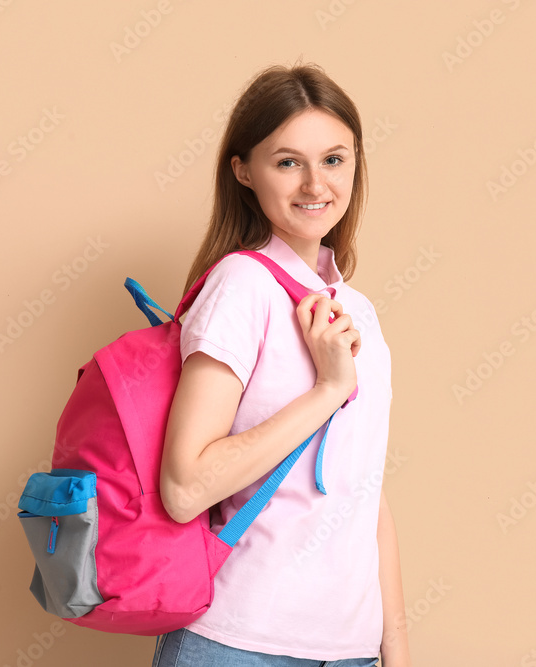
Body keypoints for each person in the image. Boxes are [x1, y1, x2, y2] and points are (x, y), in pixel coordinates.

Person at [153, 61, 411, 667]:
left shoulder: (358, 312)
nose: (315, 184)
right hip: (238, 643)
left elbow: (365, 490)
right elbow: (185, 488)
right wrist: (327, 390)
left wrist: (395, 649)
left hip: (350, 651)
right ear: (243, 170)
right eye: (288, 161)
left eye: (335, 159)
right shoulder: (241, 287)